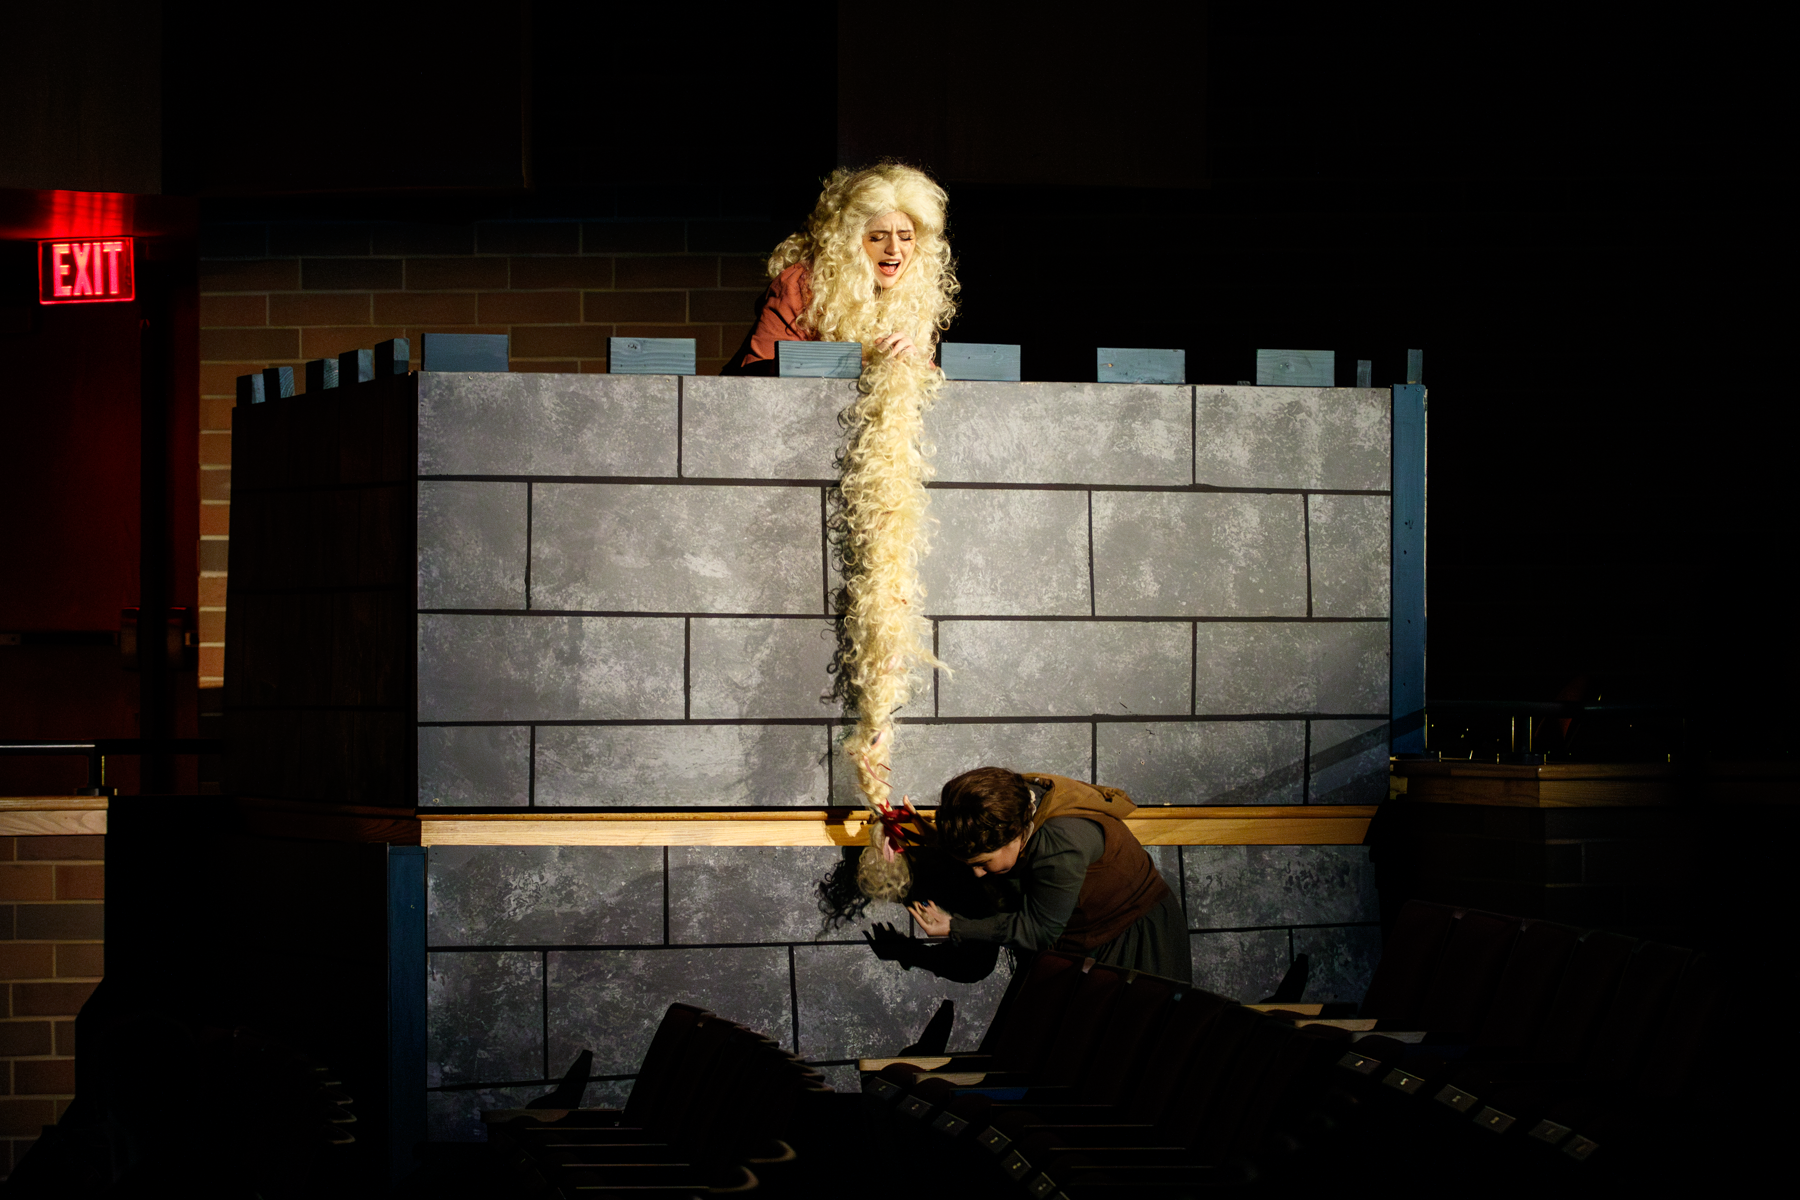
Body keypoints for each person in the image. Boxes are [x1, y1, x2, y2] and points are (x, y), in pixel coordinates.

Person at [907, 767, 1194, 983]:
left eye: (983, 863)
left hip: (1131, 943)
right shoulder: (1013, 806)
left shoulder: (1060, 843)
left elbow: (1039, 930)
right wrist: (941, 838)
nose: (978, 873)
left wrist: (955, 926)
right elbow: (985, 841)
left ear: (1014, 837)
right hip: (1085, 936)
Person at [723, 162, 958, 374]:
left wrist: (916, 367)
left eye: (906, 237)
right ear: (851, 240)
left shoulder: (914, 289)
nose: (894, 249)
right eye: (877, 237)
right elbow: (757, 372)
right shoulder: (801, 284)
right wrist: (849, 366)